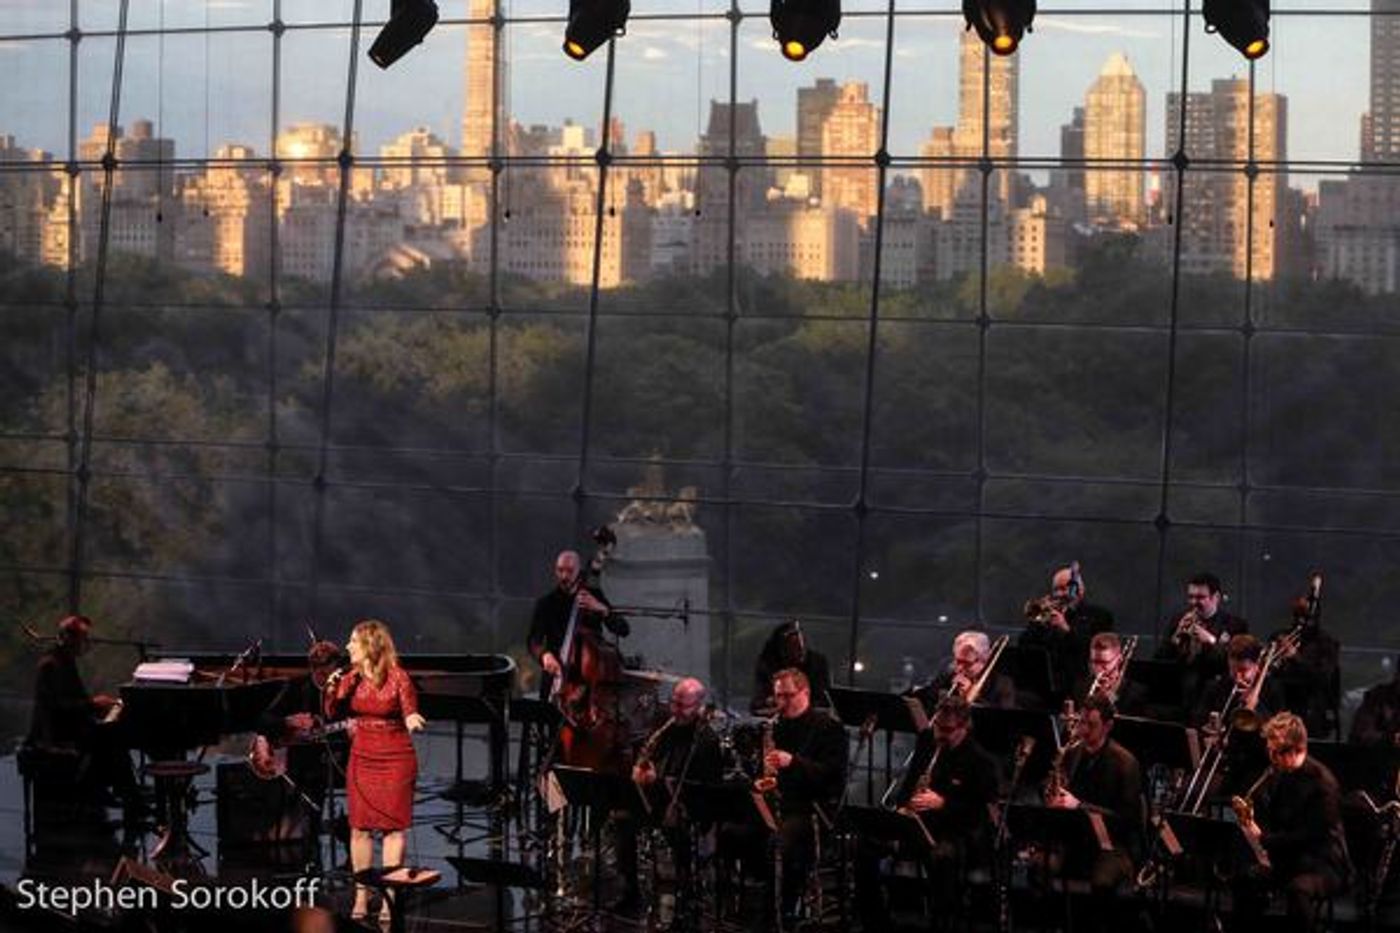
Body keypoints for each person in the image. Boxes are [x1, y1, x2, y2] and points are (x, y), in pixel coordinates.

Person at [856, 695, 998, 929]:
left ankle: (942, 922)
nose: (940, 734)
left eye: (948, 730)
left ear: (965, 727)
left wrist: (943, 803)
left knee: (942, 858)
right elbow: (909, 783)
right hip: (916, 825)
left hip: (954, 831)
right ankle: (875, 920)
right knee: (865, 845)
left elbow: (980, 813)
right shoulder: (928, 741)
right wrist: (903, 805)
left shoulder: (979, 761)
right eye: (937, 727)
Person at [324, 620, 427, 924]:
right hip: (363, 756)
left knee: (393, 829)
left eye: (353, 641)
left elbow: (409, 709)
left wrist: (412, 720)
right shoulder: (351, 678)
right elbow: (332, 712)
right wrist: (331, 687)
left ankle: (389, 898)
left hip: (395, 757)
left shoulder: (399, 678)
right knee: (359, 828)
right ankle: (361, 895)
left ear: (369, 645)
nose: (347, 647)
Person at [612, 677, 723, 914]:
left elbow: (706, 787)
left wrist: (660, 780)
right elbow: (653, 760)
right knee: (622, 819)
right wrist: (643, 770)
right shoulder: (665, 729)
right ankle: (629, 891)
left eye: (684, 706)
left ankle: (686, 894)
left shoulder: (706, 740)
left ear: (700, 707)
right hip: (659, 798)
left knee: (679, 829)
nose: (676, 710)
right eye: (674, 702)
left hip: (689, 805)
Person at [1231, 712, 1350, 933]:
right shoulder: (1281, 773)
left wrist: (1265, 840)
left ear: (1295, 749)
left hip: (1323, 864)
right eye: (1270, 752)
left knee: (1298, 890)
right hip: (1290, 857)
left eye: (1275, 753)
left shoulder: (1323, 783)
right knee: (1245, 879)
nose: (1271, 759)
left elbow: (1311, 836)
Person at [1045, 693, 1144, 932]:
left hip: (1113, 847)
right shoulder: (1073, 753)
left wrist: (1079, 806)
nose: (1083, 730)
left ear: (1108, 726)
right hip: (1077, 839)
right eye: (1080, 722)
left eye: (1091, 725)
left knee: (1101, 883)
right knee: (1040, 867)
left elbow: (1128, 821)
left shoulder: (1126, 763)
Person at [26, 614, 141, 816]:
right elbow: (58, 708)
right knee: (111, 736)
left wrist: (95, 705)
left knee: (112, 733)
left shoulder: (65, 660)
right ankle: (124, 794)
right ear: (70, 639)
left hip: (68, 725)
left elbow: (74, 700)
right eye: (84, 638)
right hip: (54, 734)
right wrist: (93, 704)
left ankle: (118, 790)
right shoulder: (50, 665)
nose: (86, 643)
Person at [249, 640, 348, 835]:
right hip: (302, 764)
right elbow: (263, 720)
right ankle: (306, 845)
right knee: (306, 791)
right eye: (321, 673)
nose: (328, 678)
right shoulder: (296, 687)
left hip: (336, 759)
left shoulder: (346, 690)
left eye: (332, 672)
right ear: (313, 669)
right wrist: (288, 721)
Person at [528, 549, 629, 696]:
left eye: (569, 571)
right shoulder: (546, 604)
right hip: (556, 680)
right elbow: (533, 640)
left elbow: (623, 629)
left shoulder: (593, 596)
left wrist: (602, 609)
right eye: (560, 570)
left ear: (579, 571)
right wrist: (544, 655)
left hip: (589, 687)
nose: (564, 576)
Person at [1017, 565, 1114, 703]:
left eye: (1065, 588)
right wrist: (1040, 625)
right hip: (1045, 686)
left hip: (1079, 684)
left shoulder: (1099, 615)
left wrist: (1065, 629)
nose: (1059, 594)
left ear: (1080, 590)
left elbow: (1095, 649)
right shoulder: (1048, 615)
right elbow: (1024, 644)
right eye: (1056, 589)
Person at [1155, 573, 1249, 716]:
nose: (1193, 602)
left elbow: (1234, 662)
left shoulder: (1234, 624)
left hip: (1213, 696)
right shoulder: (1178, 620)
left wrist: (1211, 640)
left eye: (1200, 597)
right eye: (1191, 597)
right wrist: (1175, 639)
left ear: (1216, 597)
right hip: (1178, 695)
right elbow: (1159, 658)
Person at [1271, 596, 1341, 739]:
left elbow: (1323, 677)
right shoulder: (1281, 636)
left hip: (1310, 708)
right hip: (1282, 702)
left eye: (1304, 617)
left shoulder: (1326, 643)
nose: (1300, 622)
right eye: (1297, 616)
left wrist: (1296, 657)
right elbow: (1270, 672)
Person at [911, 630, 1015, 714]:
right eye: (957, 661)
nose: (959, 668)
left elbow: (1003, 719)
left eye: (966, 663)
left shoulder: (1003, 684)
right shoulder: (949, 674)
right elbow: (928, 698)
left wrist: (973, 696)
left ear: (984, 660)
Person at [751, 620, 832, 714]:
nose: (801, 652)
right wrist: (772, 701)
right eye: (795, 648)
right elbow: (758, 703)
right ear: (782, 649)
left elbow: (824, 700)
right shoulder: (768, 664)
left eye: (802, 647)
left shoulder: (817, 663)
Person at [1070, 632, 1148, 718]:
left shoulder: (1135, 692)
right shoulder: (1080, 686)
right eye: (1094, 662)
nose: (1098, 669)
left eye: (1104, 663)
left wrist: (1110, 697)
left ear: (1119, 660)